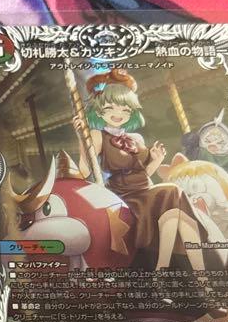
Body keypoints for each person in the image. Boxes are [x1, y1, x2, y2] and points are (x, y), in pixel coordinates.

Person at [84, 68, 219, 272]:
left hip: (146, 189)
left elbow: (144, 173)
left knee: (177, 215)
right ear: (99, 110)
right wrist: (82, 138)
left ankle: (194, 274)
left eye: (125, 109)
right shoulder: (97, 135)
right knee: (172, 192)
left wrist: (156, 160)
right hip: (125, 196)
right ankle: (169, 268)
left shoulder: (135, 139)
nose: (118, 114)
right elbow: (84, 169)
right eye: (110, 108)